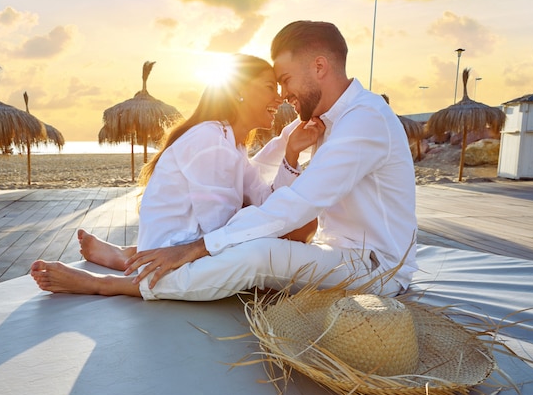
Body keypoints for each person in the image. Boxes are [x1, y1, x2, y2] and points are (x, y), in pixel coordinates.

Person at [117, 20, 418, 301]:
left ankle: (122, 284)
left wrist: (197, 248)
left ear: (319, 67)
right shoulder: (325, 119)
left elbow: (299, 202)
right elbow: (258, 172)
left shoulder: (365, 119)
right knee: (254, 241)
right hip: (339, 251)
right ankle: (136, 263)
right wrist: (289, 154)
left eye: (285, 81)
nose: (283, 95)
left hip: (377, 268)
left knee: (258, 254)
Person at [30, 53, 322, 296]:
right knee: (256, 256)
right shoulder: (210, 141)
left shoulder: (231, 143)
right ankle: (104, 284)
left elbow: (266, 200)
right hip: (172, 255)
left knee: (287, 228)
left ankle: (128, 256)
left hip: (178, 246)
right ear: (239, 91)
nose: (281, 97)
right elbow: (216, 230)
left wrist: (291, 156)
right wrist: (265, 224)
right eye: (270, 86)